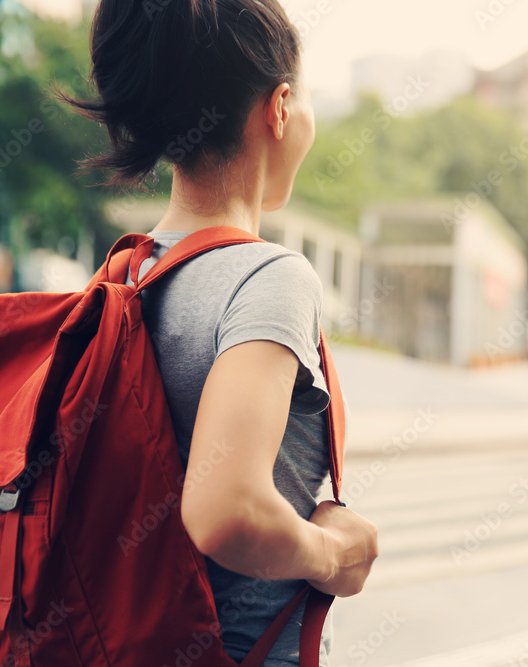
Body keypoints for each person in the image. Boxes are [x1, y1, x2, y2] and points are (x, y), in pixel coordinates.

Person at [61, 1, 378, 664]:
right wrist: (338, 553)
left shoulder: (123, 274)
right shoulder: (269, 279)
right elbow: (225, 510)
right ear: (282, 107)